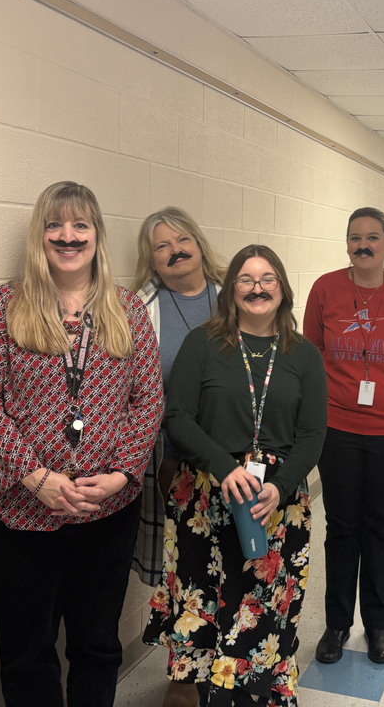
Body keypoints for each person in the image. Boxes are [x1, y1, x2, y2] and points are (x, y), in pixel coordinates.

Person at [0, 181, 163, 707]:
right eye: (55, 225)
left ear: (97, 235)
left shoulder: (127, 311)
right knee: (28, 656)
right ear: (40, 234)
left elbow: (147, 403)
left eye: (80, 225)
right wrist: (38, 479)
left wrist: (121, 473)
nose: (67, 236)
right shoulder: (5, 307)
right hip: (16, 518)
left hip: (105, 513)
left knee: (98, 648)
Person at [144, 244, 327, 707]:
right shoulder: (203, 344)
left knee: (265, 612)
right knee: (201, 608)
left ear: (283, 290)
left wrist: (280, 487)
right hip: (205, 499)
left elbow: (312, 433)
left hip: (276, 504)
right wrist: (225, 468)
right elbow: (179, 417)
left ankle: (257, 696)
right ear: (230, 291)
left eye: (268, 279)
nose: (258, 287)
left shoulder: (303, 354)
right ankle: (198, 692)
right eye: (246, 279)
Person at [303, 207, 384, 664]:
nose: (364, 245)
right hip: (336, 427)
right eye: (355, 237)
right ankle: (337, 624)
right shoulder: (325, 289)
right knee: (340, 527)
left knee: (379, 528)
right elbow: (312, 349)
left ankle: (378, 625)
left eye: (373, 237)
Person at [131, 207, 224, 585]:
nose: (176, 250)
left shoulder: (233, 298)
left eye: (184, 239)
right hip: (170, 459)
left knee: (231, 555)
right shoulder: (138, 309)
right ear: (152, 261)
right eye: (162, 246)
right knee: (182, 563)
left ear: (199, 245)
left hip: (232, 455)